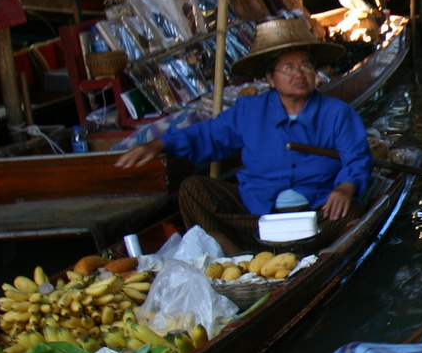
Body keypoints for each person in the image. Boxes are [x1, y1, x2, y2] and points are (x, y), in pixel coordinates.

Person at [114, 18, 370, 255]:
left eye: (306, 66)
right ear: (270, 78)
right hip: (257, 217)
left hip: (319, 211)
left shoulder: (338, 113)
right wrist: (161, 143)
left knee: (352, 211)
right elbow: (207, 136)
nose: (299, 74)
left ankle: (315, 247)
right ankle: (239, 256)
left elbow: (357, 158)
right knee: (193, 190)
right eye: (288, 68)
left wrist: (345, 187)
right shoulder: (250, 110)